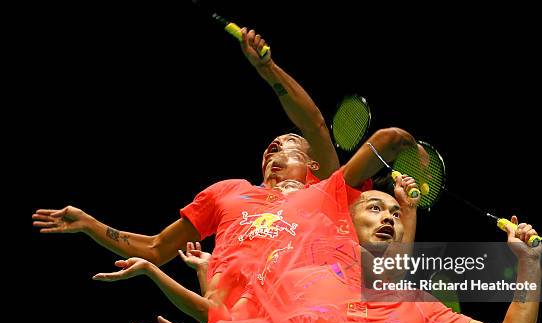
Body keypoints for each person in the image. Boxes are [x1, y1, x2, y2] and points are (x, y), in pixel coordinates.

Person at [125, 186, 542, 323]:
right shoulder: (295, 281)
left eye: (395, 214)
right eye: (375, 209)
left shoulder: (419, 305)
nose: (389, 219)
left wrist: (528, 264)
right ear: (344, 224)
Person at [31, 27, 339, 268]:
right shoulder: (228, 192)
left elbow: (315, 125)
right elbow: (157, 248)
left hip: (309, 312)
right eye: (271, 146)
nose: (274, 147)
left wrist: (267, 68)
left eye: (290, 143)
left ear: (314, 164)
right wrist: (90, 224)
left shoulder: (327, 189)